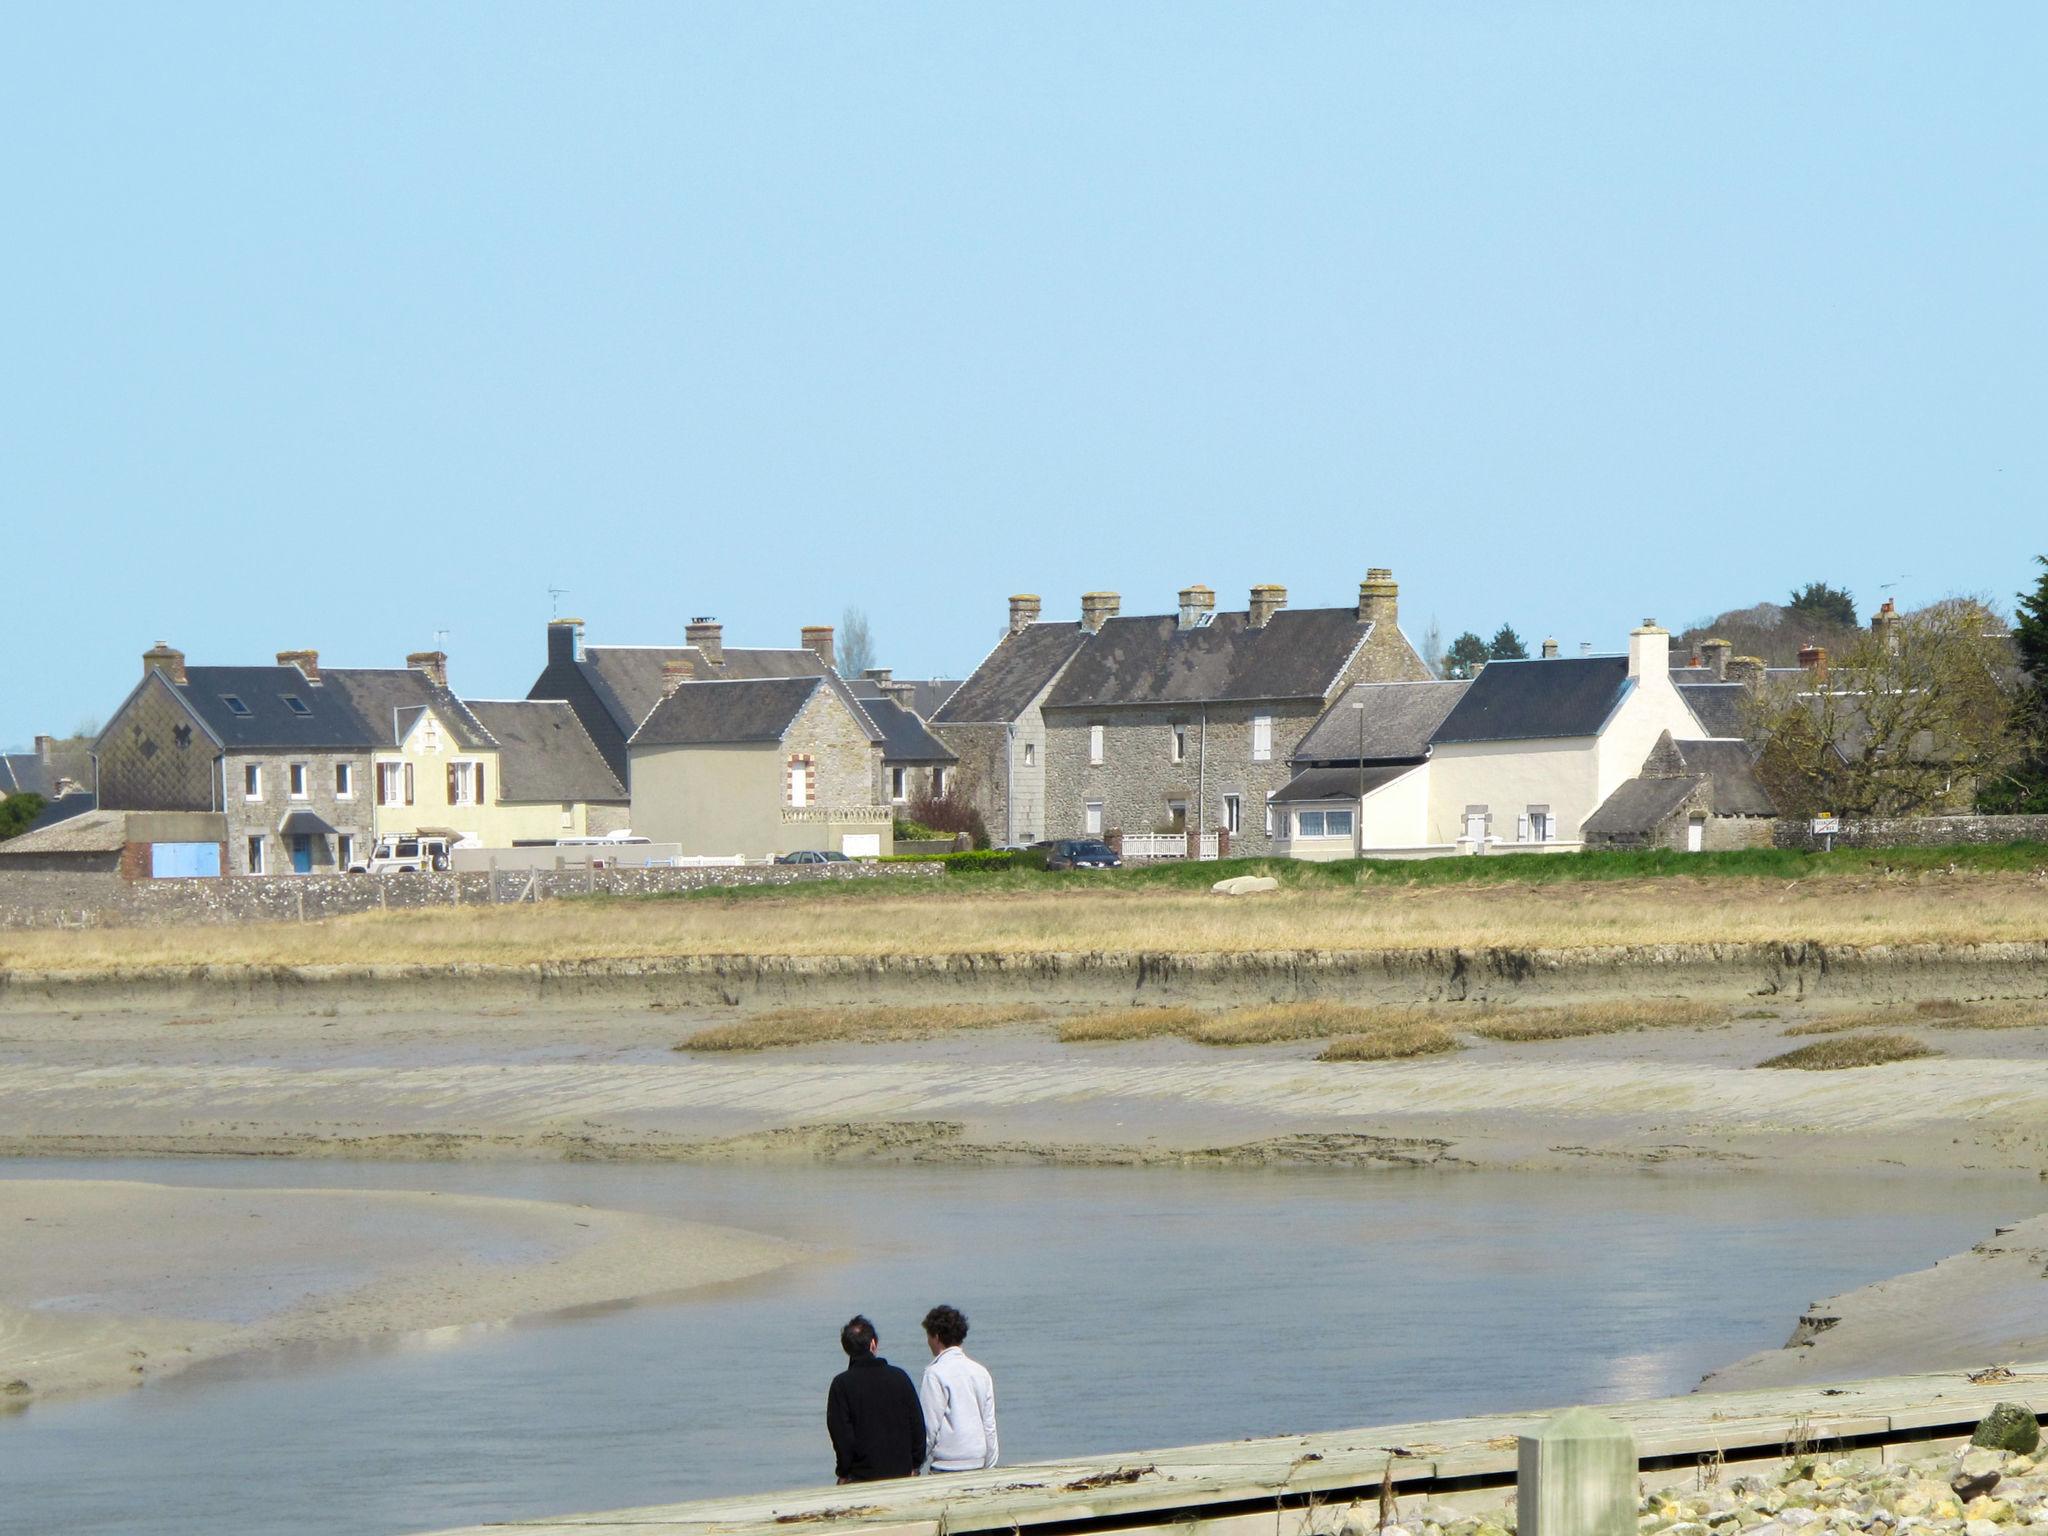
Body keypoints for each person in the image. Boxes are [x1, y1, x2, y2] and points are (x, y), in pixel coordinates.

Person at [826, 1315, 927, 1484]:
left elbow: (842, 1436)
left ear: (846, 1349)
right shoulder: (899, 1377)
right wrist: (915, 1465)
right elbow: (917, 1426)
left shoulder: (841, 1385)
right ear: (873, 1344)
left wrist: (843, 1472)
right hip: (902, 1473)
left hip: (860, 1476)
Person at [917, 1303, 998, 1473]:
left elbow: (929, 1428)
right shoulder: (980, 1372)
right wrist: (989, 1464)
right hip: (977, 1461)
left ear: (936, 1337)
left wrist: (916, 1463)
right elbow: (989, 1425)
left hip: (945, 1463)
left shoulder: (934, 1373)